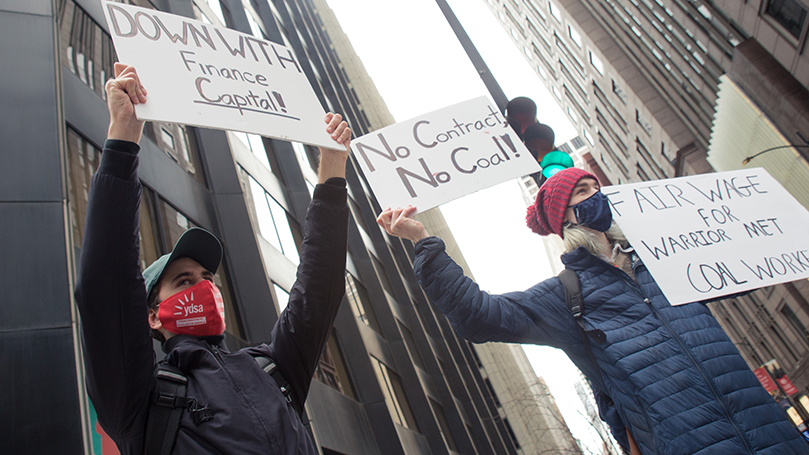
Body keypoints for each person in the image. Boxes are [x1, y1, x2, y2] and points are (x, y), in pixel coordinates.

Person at [376, 167, 809, 455]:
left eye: (596, 187)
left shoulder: (669, 263)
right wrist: (423, 243)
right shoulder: (565, 295)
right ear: (564, 219)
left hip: (775, 434)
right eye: (583, 192)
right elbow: (478, 315)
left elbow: (749, 256)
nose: (596, 195)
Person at [75, 63, 351, 454]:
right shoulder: (139, 401)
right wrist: (123, 136)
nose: (204, 286)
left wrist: (333, 165)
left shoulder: (272, 369)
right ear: (152, 315)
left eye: (207, 277)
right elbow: (106, 284)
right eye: (184, 281)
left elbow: (318, 288)